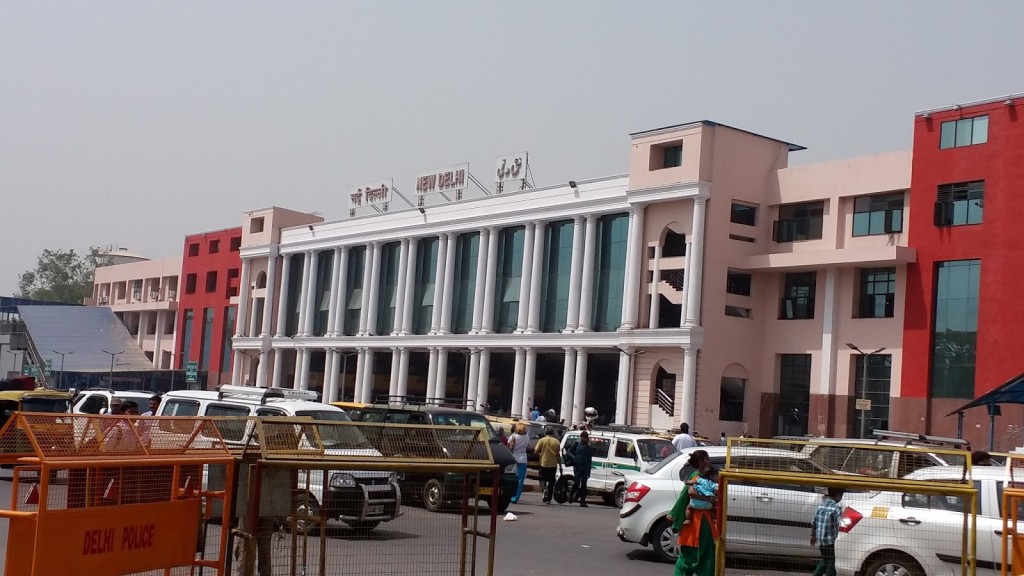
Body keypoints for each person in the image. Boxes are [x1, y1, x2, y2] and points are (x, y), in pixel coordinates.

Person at [668, 450, 717, 576]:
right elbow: (689, 493)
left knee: (694, 556)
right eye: (707, 460)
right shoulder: (696, 477)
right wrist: (709, 499)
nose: (709, 462)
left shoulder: (707, 478)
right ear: (701, 462)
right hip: (698, 522)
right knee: (697, 556)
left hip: (702, 522)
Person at [811, 487, 845, 576]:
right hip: (830, 540)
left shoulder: (821, 506)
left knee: (825, 559)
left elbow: (814, 522)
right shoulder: (836, 508)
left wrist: (813, 535)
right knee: (831, 562)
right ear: (838, 495)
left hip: (821, 539)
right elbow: (839, 523)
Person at [567, 431, 597, 507]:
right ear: (581, 437)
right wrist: (574, 458)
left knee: (584, 485)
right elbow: (569, 452)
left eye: (586, 437)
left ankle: (582, 501)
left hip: (585, 468)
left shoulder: (589, 447)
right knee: (576, 483)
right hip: (577, 467)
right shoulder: (576, 444)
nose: (585, 439)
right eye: (583, 437)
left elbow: (592, 456)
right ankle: (571, 495)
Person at [534, 426, 561, 504]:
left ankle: (544, 489)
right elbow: (557, 454)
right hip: (553, 464)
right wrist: (560, 466)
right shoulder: (557, 442)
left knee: (541, 478)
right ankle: (549, 499)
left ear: (545, 432)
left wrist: (540, 454)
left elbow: (536, 451)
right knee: (551, 481)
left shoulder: (542, 440)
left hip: (543, 462)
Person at [507, 422, 530, 503]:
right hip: (523, 459)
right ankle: (515, 497)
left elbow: (508, 444)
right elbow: (527, 446)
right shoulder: (527, 437)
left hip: (513, 458)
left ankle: (509, 495)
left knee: (511, 478)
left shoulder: (513, 436)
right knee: (520, 480)